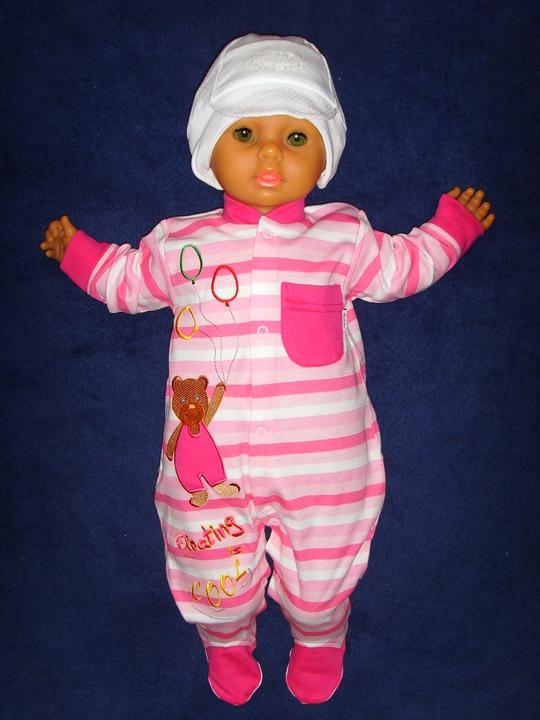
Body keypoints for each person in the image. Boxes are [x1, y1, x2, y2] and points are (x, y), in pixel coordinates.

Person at [40, 34, 495, 706]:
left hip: (324, 465)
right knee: (207, 568)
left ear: (325, 156)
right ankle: (226, 638)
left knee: (324, 576)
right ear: (210, 148)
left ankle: (321, 634)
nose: (272, 154)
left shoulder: (342, 235)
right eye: (246, 133)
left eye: (297, 137)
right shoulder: (179, 243)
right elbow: (126, 281)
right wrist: (77, 252)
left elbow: (402, 266)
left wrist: (451, 229)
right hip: (205, 466)